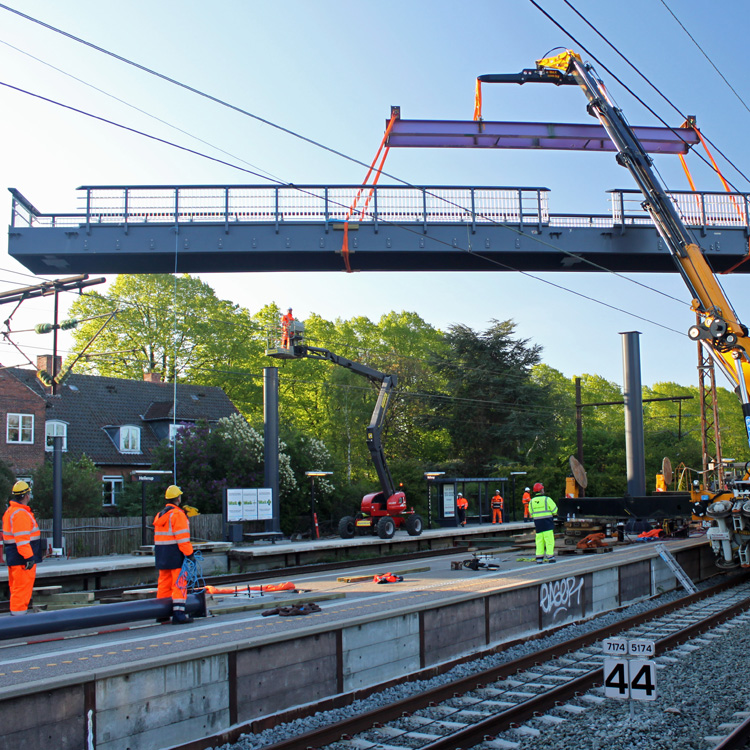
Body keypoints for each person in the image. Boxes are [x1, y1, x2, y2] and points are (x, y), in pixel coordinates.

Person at [154, 485, 195, 624]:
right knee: (179, 584)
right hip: (175, 554)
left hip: (162, 554)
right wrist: (190, 555)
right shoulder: (178, 515)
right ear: (178, 498)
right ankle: (179, 614)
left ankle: (161, 613)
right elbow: (182, 538)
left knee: (163, 585)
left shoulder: (160, 515)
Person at [2, 481, 43, 615]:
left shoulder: (11, 511)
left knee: (16, 589)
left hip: (15, 557)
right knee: (22, 590)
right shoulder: (20, 514)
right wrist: (29, 558)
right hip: (22, 559)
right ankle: (19, 622)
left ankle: (16, 617)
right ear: (26, 496)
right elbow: (22, 540)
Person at [528, 482, 558, 563]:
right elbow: (555, 510)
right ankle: (550, 556)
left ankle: (539, 558)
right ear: (541, 490)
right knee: (549, 540)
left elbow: (530, 512)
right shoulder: (547, 499)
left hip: (538, 524)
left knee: (539, 541)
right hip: (547, 523)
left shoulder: (531, 501)